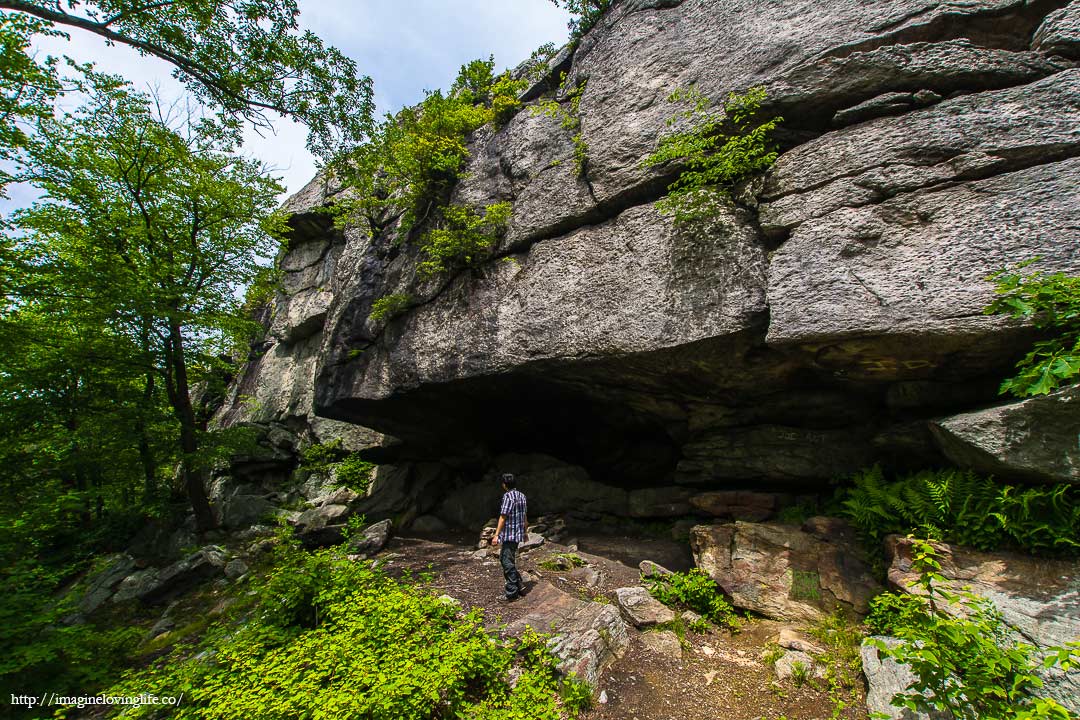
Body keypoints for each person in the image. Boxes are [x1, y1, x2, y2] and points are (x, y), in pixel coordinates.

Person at [490, 472, 527, 601]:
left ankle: (512, 592)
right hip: (517, 533)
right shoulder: (522, 496)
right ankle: (520, 584)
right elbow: (524, 515)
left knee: (505, 561)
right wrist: (525, 532)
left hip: (509, 534)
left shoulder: (508, 497)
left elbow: (503, 516)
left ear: (504, 485)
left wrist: (496, 535)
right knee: (508, 559)